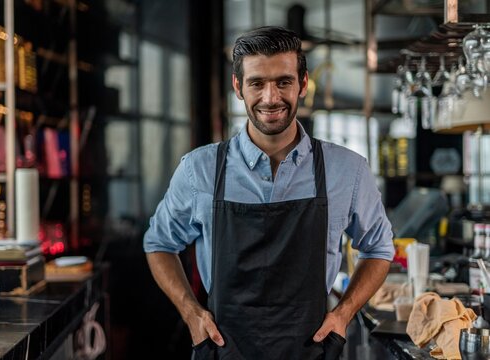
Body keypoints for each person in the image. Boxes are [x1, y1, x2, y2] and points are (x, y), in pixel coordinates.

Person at [144, 26, 394, 359]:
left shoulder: (347, 170)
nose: (271, 98)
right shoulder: (199, 169)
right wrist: (191, 311)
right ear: (238, 87)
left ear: (303, 84)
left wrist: (344, 313)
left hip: (311, 350)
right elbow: (159, 243)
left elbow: (378, 247)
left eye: (283, 82)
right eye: (257, 83)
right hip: (223, 349)